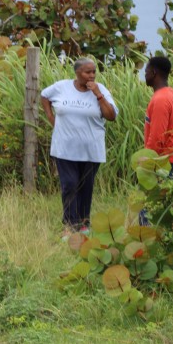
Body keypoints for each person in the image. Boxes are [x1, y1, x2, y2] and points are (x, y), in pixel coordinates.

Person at [41, 58, 118, 236]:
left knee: (86, 187)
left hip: (91, 151)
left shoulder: (101, 90)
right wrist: (51, 118)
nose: (91, 75)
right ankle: (69, 226)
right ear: (77, 73)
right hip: (64, 148)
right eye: (87, 72)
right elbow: (44, 96)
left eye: (93, 72)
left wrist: (98, 94)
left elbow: (111, 116)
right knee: (69, 184)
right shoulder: (62, 87)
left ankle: (84, 225)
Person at [144, 56, 173, 177]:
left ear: (153, 73)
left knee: (163, 196)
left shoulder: (160, 99)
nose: (145, 75)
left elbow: (157, 137)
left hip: (166, 161)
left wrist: (147, 161)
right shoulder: (172, 94)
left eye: (146, 71)